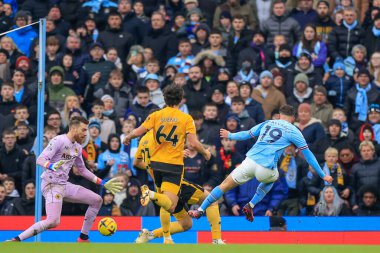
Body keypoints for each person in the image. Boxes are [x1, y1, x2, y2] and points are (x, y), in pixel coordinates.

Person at [188, 105, 333, 222]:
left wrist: (230, 135)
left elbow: (246, 134)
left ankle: (200, 210)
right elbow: (309, 157)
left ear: (279, 116)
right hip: (265, 168)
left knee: (224, 186)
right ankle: (251, 204)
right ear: (293, 118)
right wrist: (323, 175)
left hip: (249, 161)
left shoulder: (268, 123)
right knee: (274, 178)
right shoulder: (295, 131)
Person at [7, 116, 123, 242]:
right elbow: (40, 159)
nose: (86, 134)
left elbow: (83, 170)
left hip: (64, 185)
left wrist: (103, 182)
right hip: (51, 185)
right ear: (73, 128)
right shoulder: (58, 140)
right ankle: (17, 239)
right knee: (53, 221)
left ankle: (83, 238)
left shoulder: (77, 147)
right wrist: (51, 165)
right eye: (83, 130)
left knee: (97, 200)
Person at [123, 84, 211, 243]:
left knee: (177, 214)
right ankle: (151, 196)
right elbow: (193, 144)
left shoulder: (156, 115)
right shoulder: (186, 118)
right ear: (181, 99)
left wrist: (128, 137)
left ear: (165, 98)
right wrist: (205, 152)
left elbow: (138, 131)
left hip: (156, 165)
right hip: (173, 166)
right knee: (169, 205)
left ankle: (154, 234)